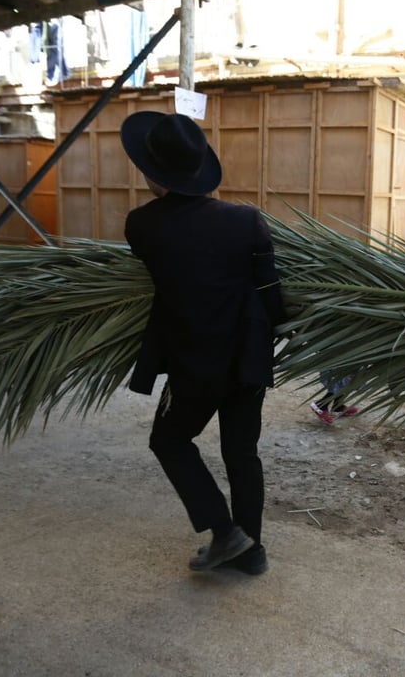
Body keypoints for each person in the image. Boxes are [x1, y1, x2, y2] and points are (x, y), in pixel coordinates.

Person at [121, 111, 286, 577]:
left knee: (169, 440)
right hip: (247, 362)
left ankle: (224, 529)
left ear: (155, 175)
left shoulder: (141, 226)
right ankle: (252, 552)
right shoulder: (247, 220)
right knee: (242, 452)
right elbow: (272, 299)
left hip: (194, 364)